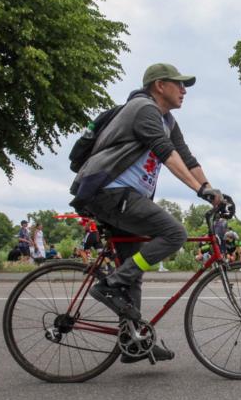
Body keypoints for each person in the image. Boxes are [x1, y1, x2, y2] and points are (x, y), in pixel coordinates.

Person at [69, 62, 227, 363]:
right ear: (159, 86)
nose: (184, 90)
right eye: (178, 84)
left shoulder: (168, 120)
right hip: (110, 193)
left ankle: (133, 340)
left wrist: (211, 190)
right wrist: (199, 191)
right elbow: (166, 154)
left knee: (134, 271)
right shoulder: (144, 110)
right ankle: (110, 284)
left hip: (125, 196)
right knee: (175, 233)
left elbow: (186, 157)